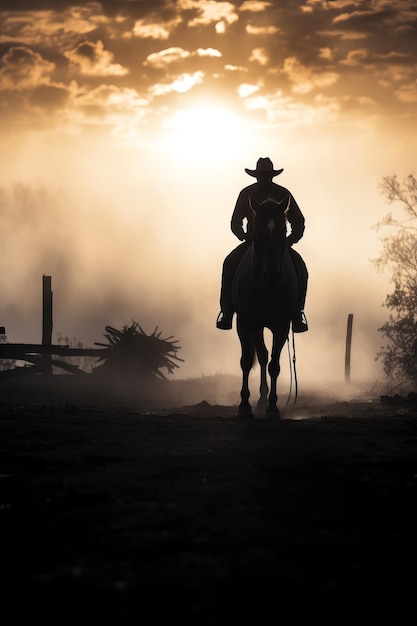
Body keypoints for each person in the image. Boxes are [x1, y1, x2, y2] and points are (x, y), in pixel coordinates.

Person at [216, 157, 309, 332]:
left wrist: (288, 241)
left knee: (301, 269)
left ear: (271, 176)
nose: (263, 179)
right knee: (229, 263)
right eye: (261, 175)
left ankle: (297, 314)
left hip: (279, 245)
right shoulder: (246, 194)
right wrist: (244, 237)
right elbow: (236, 221)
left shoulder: (283, 194)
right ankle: (227, 312)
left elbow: (298, 221)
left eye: (266, 176)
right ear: (257, 176)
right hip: (253, 243)